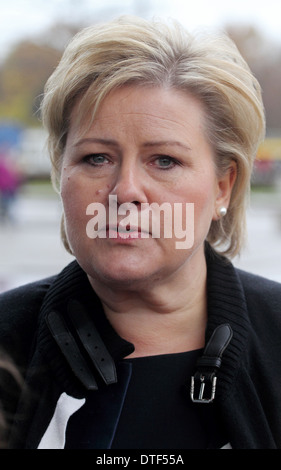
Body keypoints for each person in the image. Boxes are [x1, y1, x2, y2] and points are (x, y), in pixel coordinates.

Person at [0, 15, 281, 450]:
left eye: (164, 160)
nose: (125, 190)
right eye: (96, 158)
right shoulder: (8, 345)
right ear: (61, 173)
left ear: (223, 185)